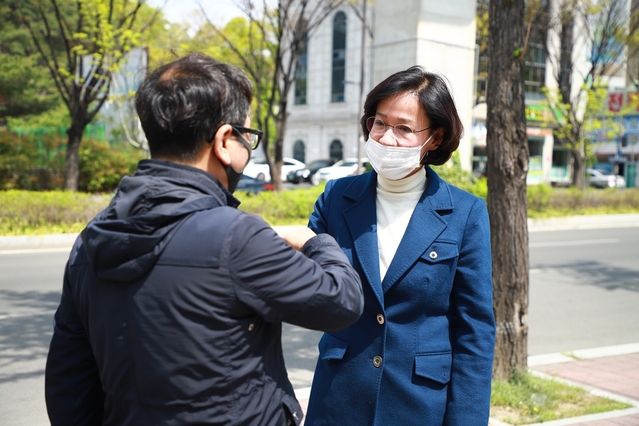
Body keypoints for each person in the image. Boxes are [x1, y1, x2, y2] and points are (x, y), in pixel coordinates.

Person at [44, 53, 364, 426]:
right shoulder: (237, 236)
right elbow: (342, 302)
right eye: (248, 137)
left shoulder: (92, 238)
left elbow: (69, 382)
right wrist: (315, 241)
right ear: (225, 141)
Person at [304, 66, 496, 425]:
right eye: (380, 123)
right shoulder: (336, 199)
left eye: (404, 128)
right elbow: (305, 289)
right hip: (338, 398)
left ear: (435, 138)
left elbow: (475, 332)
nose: (386, 139)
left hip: (418, 404)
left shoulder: (466, 213)